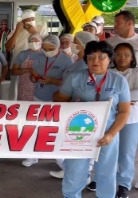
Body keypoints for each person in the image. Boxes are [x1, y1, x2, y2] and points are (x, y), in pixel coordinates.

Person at [53, 41, 131, 198]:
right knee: (74, 174)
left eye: (102, 57)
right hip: (78, 133)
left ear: (110, 59)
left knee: (106, 174)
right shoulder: (75, 78)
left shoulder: (118, 81)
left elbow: (124, 111)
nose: (96, 61)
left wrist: (110, 134)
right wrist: (65, 99)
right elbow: (59, 100)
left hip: (107, 134)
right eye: (91, 57)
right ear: (85, 59)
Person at [49, 32, 100, 180]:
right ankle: (69, 169)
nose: (73, 45)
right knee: (71, 141)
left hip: (79, 107)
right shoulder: (76, 61)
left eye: (76, 43)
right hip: (69, 104)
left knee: (80, 141)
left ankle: (85, 174)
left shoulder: (87, 64)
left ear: (84, 45)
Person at [22, 35, 73, 167]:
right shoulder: (39, 57)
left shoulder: (66, 61)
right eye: (44, 49)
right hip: (38, 95)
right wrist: (34, 78)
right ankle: (32, 156)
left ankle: (60, 160)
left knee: (54, 130)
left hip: (55, 99)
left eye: (50, 49)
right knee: (35, 127)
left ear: (57, 47)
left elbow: (69, 82)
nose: (47, 51)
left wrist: (52, 81)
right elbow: (33, 74)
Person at [109, 43, 138, 198]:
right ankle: (105, 180)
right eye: (119, 54)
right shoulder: (108, 72)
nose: (122, 58)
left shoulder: (136, 72)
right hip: (108, 119)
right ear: (113, 56)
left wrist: (115, 98)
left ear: (132, 57)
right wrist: (125, 99)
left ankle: (123, 185)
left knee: (126, 153)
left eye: (126, 54)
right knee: (107, 152)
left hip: (131, 119)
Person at [5, 9, 48, 101]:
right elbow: (8, 47)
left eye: (33, 19)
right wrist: (17, 31)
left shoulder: (41, 28)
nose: (31, 21)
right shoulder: (16, 31)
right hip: (18, 65)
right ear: (22, 21)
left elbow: (47, 46)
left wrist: (35, 32)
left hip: (38, 64)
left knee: (36, 89)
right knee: (16, 91)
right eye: (28, 20)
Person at [11, 33, 42, 101]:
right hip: (24, 89)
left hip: (40, 88)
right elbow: (13, 71)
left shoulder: (44, 55)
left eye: (36, 40)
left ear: (41, 42)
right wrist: (28, 70)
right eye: (31, 40)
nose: (33, 42)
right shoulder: (22, 54)